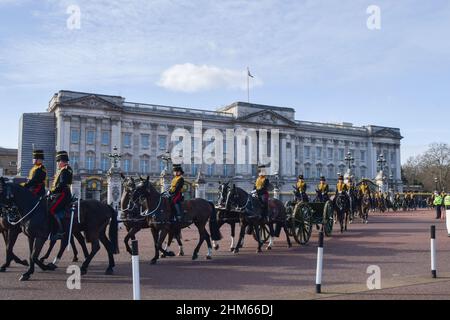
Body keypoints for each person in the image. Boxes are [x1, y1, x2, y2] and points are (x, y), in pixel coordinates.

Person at [49, 151, 73, 241]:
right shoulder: (62, 170)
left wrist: (53, 191)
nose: (58, 163)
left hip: (63, 194)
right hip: (59, 193)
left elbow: (62, 184)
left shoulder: (66, 170)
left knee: (51, 209)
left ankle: (59, 231)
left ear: (62, 161)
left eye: (58, 161)